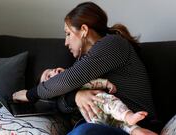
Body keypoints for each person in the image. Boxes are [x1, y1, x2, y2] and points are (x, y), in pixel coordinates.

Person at [12, 2, 158, 135]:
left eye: (68, 34)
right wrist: (77, 96)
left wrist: (29, 94)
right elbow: (62, 105)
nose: (65, 42)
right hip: (106, 124)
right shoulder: (83, 61)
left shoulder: (112, 44)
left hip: (137, 122)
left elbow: (67, 81)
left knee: (83, 131)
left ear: (83, 30)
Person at [39, 67, 148, 134]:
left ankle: (130, 119)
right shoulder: (60, 102)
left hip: (102, 104)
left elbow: (92, 82)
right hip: (93, 120)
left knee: (116, 114)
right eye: (48, 76)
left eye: (52, 69)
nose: (53, 70)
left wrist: (106, 83)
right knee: (111, 124)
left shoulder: (76, 81)